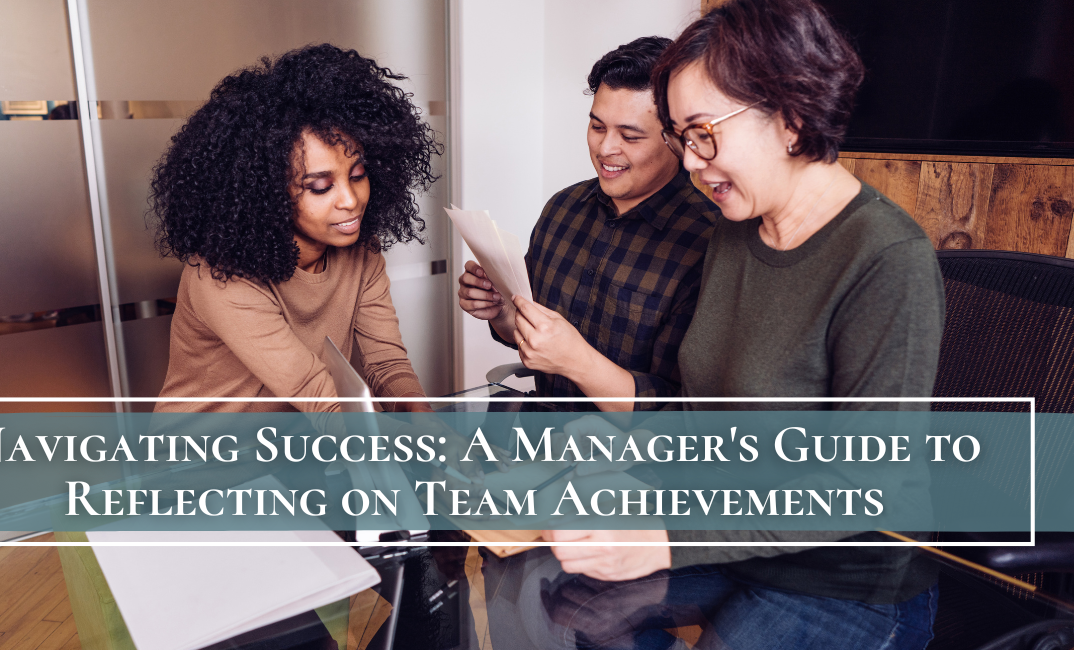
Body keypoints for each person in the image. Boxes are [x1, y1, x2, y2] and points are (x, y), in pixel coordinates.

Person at [523, 1, 946, 648]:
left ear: (791, 116)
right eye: (681, 136)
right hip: (733, 535)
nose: (691, 161)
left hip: (846, 576)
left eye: (703, 132)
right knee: (584, 600)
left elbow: (863, 488)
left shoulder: (887, 259)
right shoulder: (734, 231)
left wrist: (666, 539)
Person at [150, 45, 441, 414]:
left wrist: (432, 430)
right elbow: (315, 393)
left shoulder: (361, 250)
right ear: (266, 191)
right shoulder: (222, 275)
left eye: (357, 175)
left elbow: (387, 364)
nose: (349, 200)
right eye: (320, 187)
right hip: (202, 464)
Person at [457, 36, 719, 413]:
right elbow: (526, 334)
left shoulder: (708, 245)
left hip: (637, 464)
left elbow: (681, 412)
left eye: (630, 136)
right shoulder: (563, 209)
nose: (605, 149)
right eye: (597, 127)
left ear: (677, 140)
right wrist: (500, 313)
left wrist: (578, 361)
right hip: (543, 446)